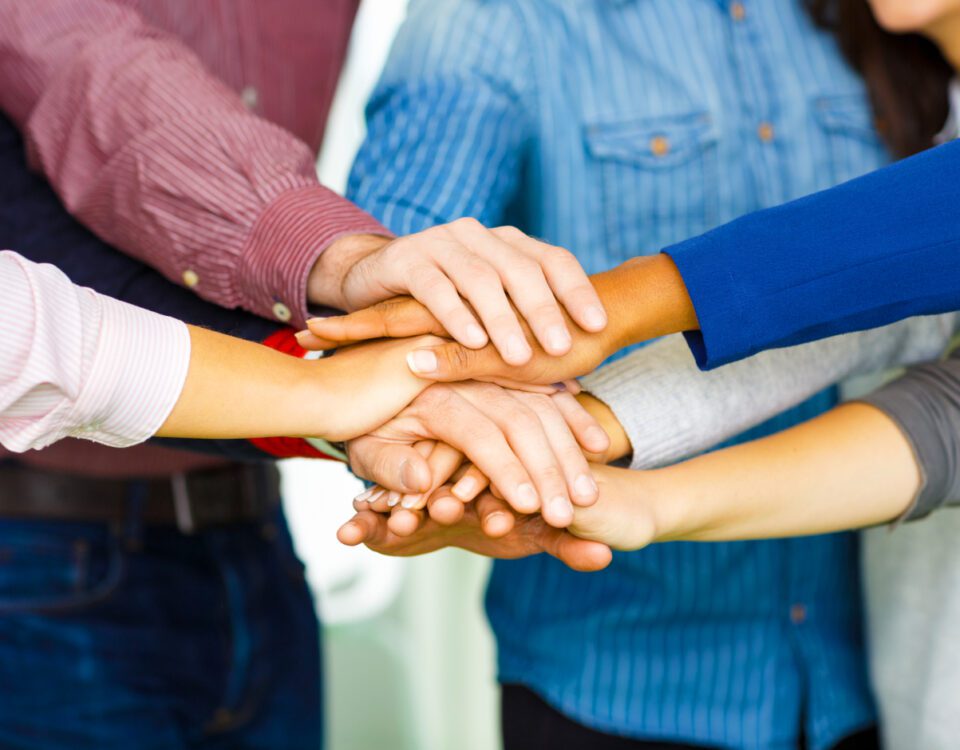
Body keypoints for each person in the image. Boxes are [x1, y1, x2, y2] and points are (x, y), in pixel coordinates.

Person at [0, 3, 604, 746]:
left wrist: (350, 392)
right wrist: (346, 311)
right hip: (33, 545)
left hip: (254, 533)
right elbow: (87, 86)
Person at [328, 1, 907, 748]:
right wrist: (405, 448)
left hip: (858, 680)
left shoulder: (877, 17)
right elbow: (383, 314)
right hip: (613, 687)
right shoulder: (490, 20)